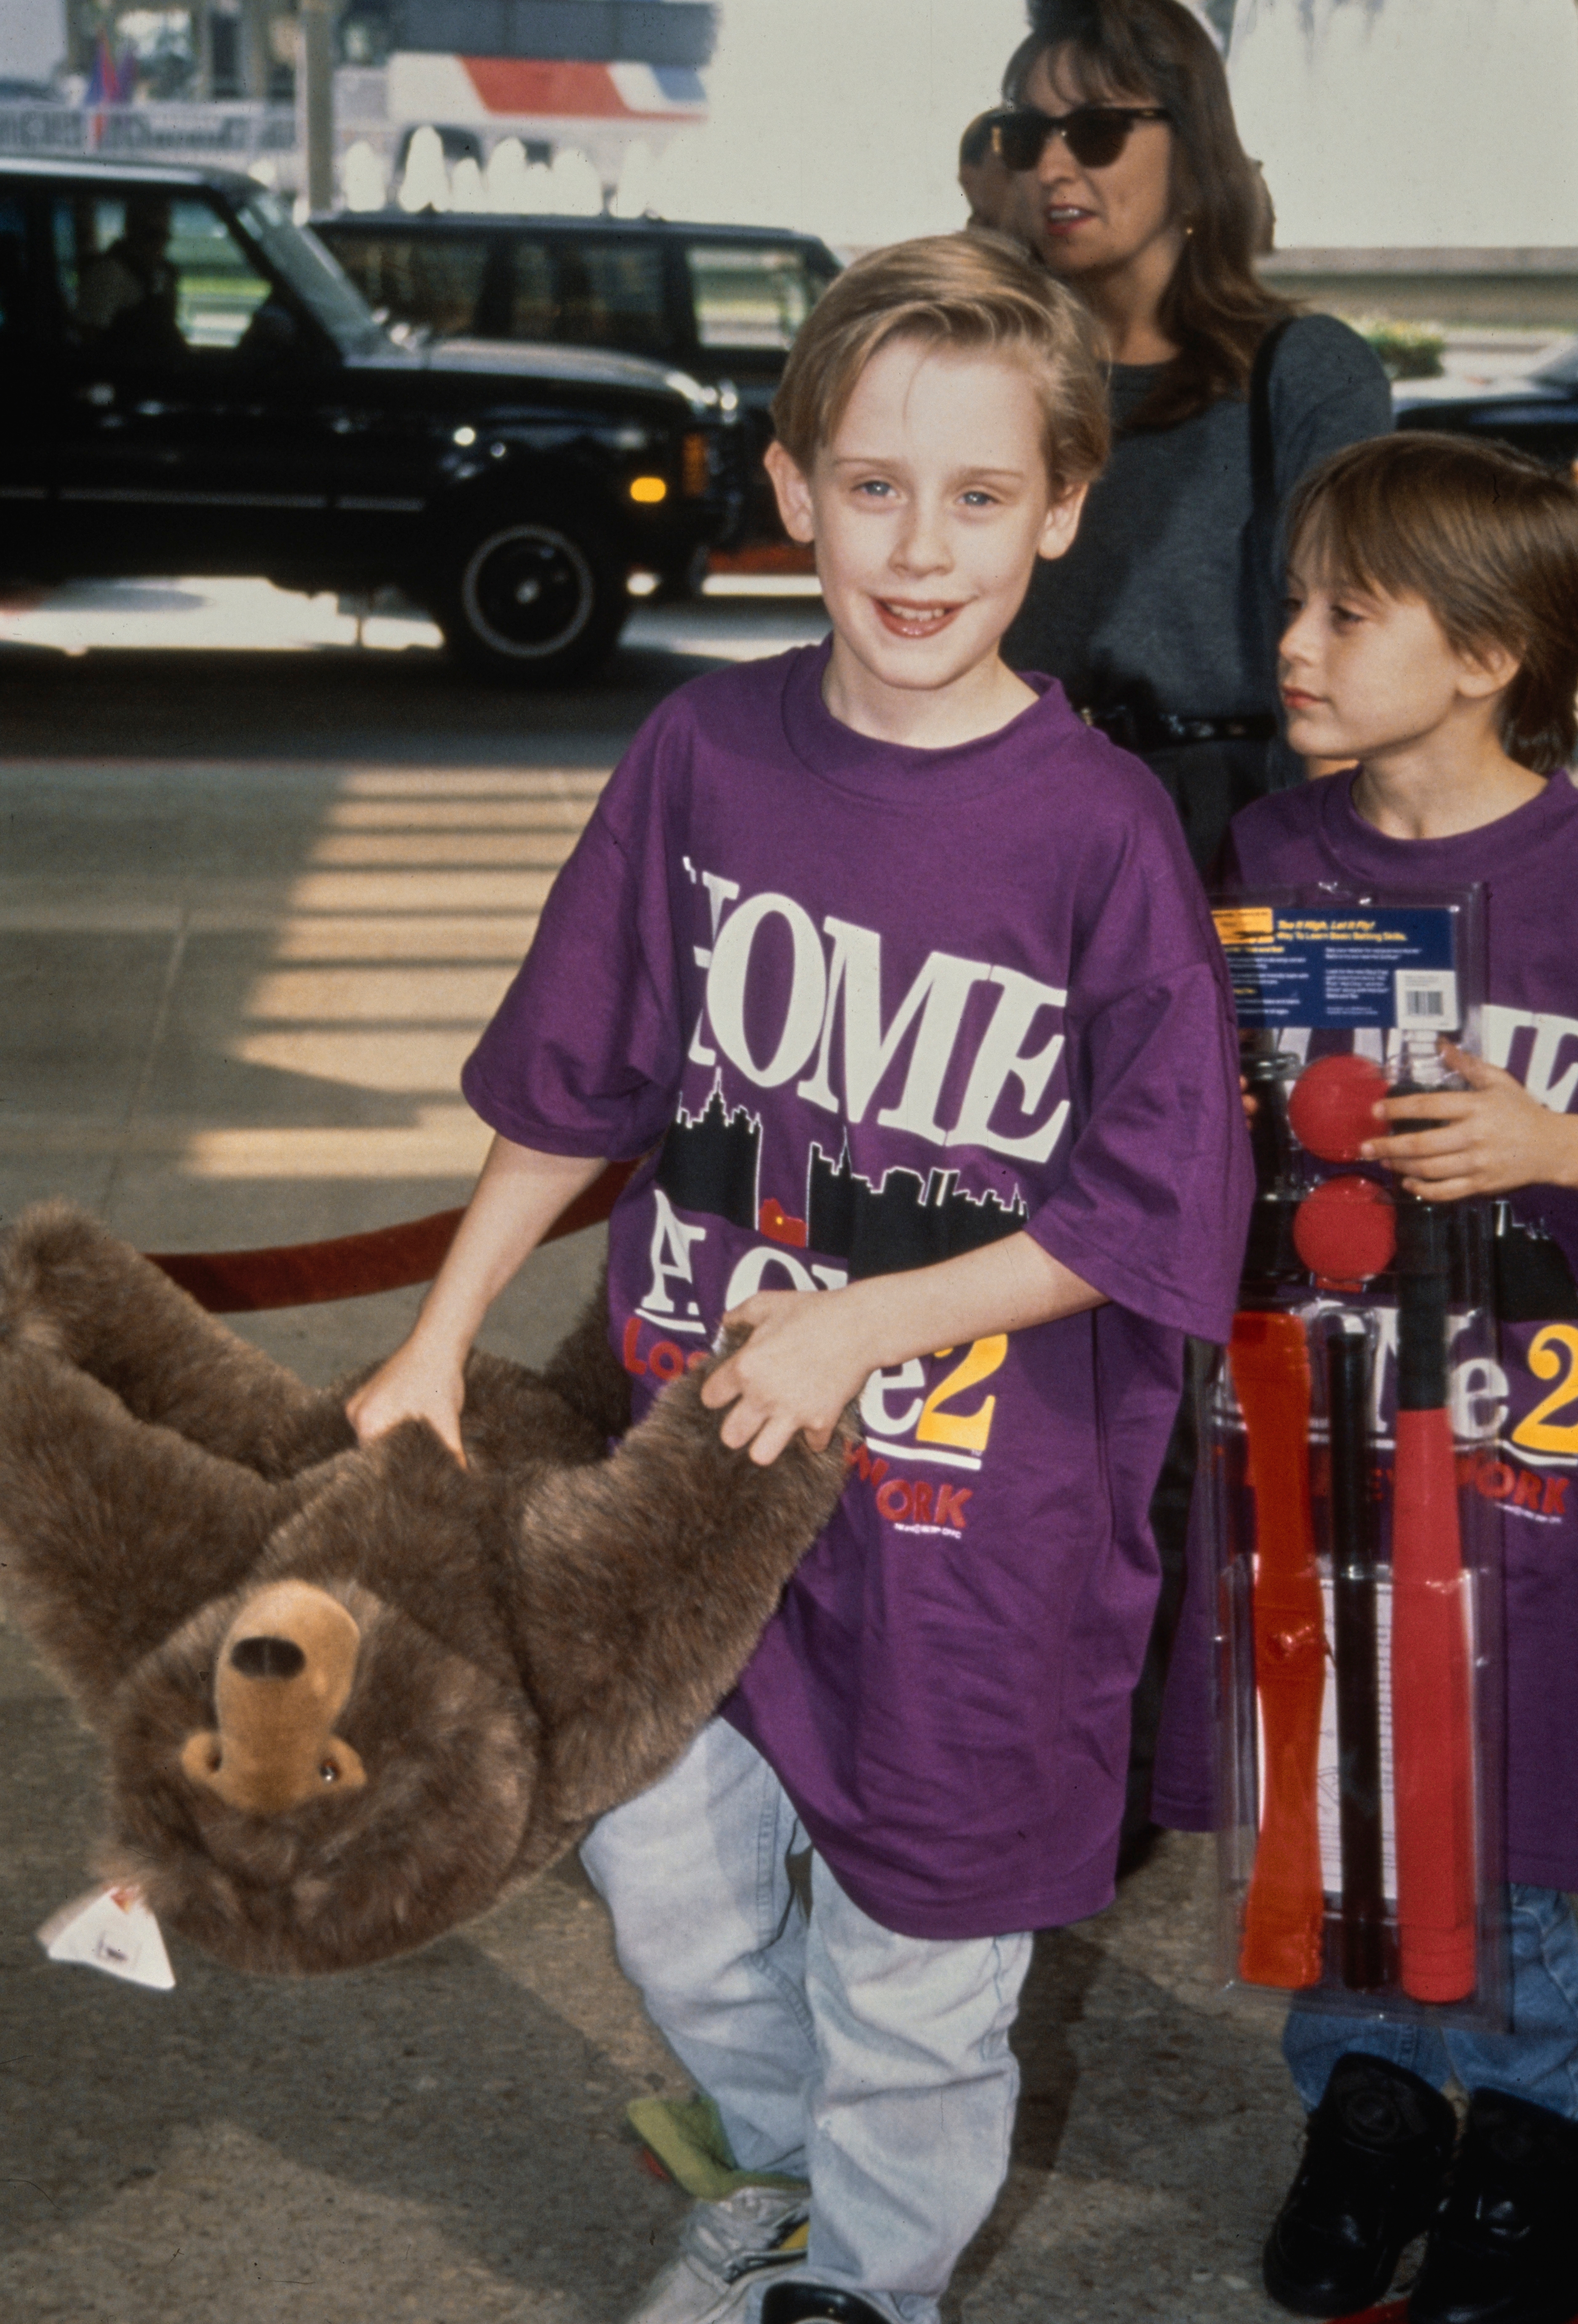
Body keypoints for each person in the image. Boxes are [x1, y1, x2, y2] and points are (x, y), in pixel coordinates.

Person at [348, 231, 1253, 2324]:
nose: (914, 549)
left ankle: (869, 2278)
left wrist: (866, 1320)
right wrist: (440, 1334)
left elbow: (1147, 1207)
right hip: (688, 1486)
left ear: (1058, 510)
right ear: (784, 490)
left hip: (967, 1526)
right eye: (868, 486)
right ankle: (775, 2173)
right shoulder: (705, 759)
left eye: (970, 495)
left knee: (918, 1962)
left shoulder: (1098, 838)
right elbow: (577, 1073)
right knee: (657, 1880)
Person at [1154, 431, 1578, 2324]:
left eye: (1347, 608)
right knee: (1348, 1797)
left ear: (1488, 652)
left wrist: (1556, 1148)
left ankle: (1532, 2131)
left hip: (1541, 1456)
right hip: (1327, 1439)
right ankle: (1373, 2105)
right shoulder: (1268, 851)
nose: (1292, 638)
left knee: (1544, 1817)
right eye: (1293, 596)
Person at [992, 0, 1392, 872]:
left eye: (1095, 130)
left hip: (1236, 841)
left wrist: (1332, 884)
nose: (1054, 165)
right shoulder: (1001, 384)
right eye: (1026, 135)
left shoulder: (1303, 375)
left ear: (1192, 145)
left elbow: (1358, 653)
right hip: (1023, 830)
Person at [76, 192, 182, 359]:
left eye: (164, 235)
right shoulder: (110, 272)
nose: (159, 245)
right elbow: (90, 337)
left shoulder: (163, 273)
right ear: (132, 230)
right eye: (151, 236)